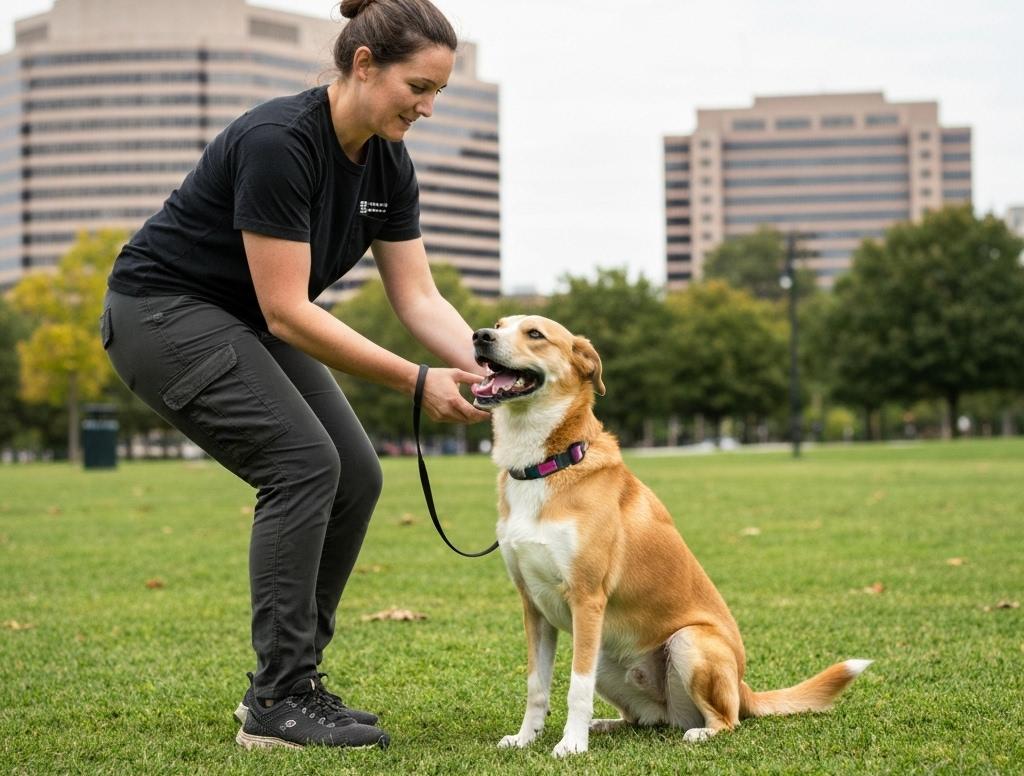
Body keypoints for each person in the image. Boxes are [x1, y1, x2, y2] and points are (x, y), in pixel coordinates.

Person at [102, 0, 489, 751]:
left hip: (240, 318)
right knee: (303, 464)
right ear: (364, 65)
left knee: (356, 474)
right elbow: (287, 311)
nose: (430, 107)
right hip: (162, 313)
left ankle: (290, 684)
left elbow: (418, 297)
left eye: (440, 91)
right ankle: (279, 698)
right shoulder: (281, 140)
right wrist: (417, 382)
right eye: (420, 86)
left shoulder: (388, 162)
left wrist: (498, 369)